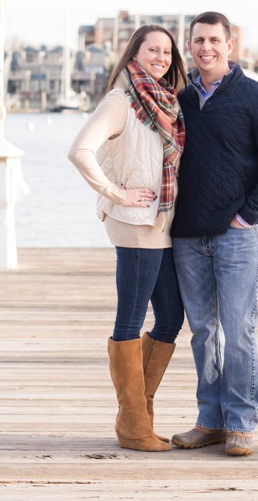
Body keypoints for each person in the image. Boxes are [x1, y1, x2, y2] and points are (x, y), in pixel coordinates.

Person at [170, 11, 258, 457]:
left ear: (230, 46)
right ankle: (210, 420)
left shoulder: (257, 99)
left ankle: (241, 422)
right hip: (187, 236)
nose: (206, 48)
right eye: (198, 41)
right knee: (203, 331)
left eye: (214, 41)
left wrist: (249, 215)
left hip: (236, 236)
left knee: (239, 330)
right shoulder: (180, 101)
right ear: (191, 46)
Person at [68, 25, 187, 452]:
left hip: (160, 225)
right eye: (152, 49)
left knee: (172, 317)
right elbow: (79, 150)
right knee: (130, 320)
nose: (161, 57)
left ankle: (139, 411)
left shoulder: (165, 101)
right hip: (134, 224)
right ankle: (133, 424)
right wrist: (117, 193)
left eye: (167, 52)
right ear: (134, 52)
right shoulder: (121, 100)